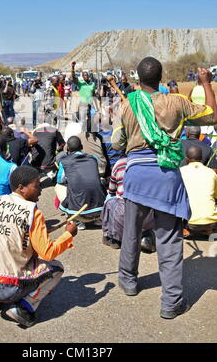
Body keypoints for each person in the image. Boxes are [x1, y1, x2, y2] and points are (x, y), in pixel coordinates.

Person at [113, 57, 217, 319]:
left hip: (135, 175)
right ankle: (171, 303)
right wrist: (206, 83)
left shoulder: (128, 105)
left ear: (138, 79)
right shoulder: (176, 102)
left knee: (132, 231)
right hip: (166, 177)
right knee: (169, 239)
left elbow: (117, 144)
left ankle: (128, 281)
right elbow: (213, 116)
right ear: (161, 78)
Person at [0, 166, 78, 328]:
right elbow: (47, 253)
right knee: (56, 268)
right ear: (21, 188)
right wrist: (68, 235)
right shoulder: (33, 212)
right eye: (37, 186)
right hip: (5, 288)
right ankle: (23, 307)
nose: (40, 191)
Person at [57, 136, 106, 230]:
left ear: (67, 149)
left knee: (59, 186)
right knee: (97, 182)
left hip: (79, 212)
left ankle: (77, 221)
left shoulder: (64, 162)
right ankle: (97, 220)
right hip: (99, 209)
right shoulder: (93, 158)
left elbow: (60, 180)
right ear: (82, 146)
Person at [180, 146, 217, 237]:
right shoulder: (211, 173)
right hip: (212, 222)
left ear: (187, 159)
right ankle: (208, 230)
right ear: (201, 159)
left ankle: (187, 229)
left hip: (191, 222)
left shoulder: (181, 172)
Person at [31, 113, 65, 177]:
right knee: (63, 154)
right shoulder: (54, 130)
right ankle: (55, 175)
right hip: (50, 164)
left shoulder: (35, 131)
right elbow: (63, 144)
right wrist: (57, 151)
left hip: (36, 163)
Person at [71, 62, 96, 131]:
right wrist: (73, 67)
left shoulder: (92, 84)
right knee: (82, 120)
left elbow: (94, 94)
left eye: (86, 75)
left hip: (91, 105)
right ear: (82, 76)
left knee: (91, 120)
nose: (86, 76)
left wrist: (96, 105)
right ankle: (82, 133)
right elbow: (73, 77)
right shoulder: (80, 83)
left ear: (89, 76)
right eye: (84, 75)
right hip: (83, 104)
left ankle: (89, 132)